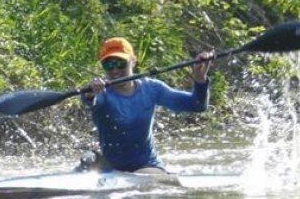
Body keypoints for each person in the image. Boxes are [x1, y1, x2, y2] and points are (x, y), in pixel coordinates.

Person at [80, 36, 212, 173]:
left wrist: (200, 80)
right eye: (108, 65)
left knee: (144, 177)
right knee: (87, 159)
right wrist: (89, 94)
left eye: (120, 63)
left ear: (133, 61)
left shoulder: (152, 88)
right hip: (110, 167)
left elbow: (197, 105)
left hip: (146, 165)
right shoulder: (99, 93)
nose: (115, 70)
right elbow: (88, 99)